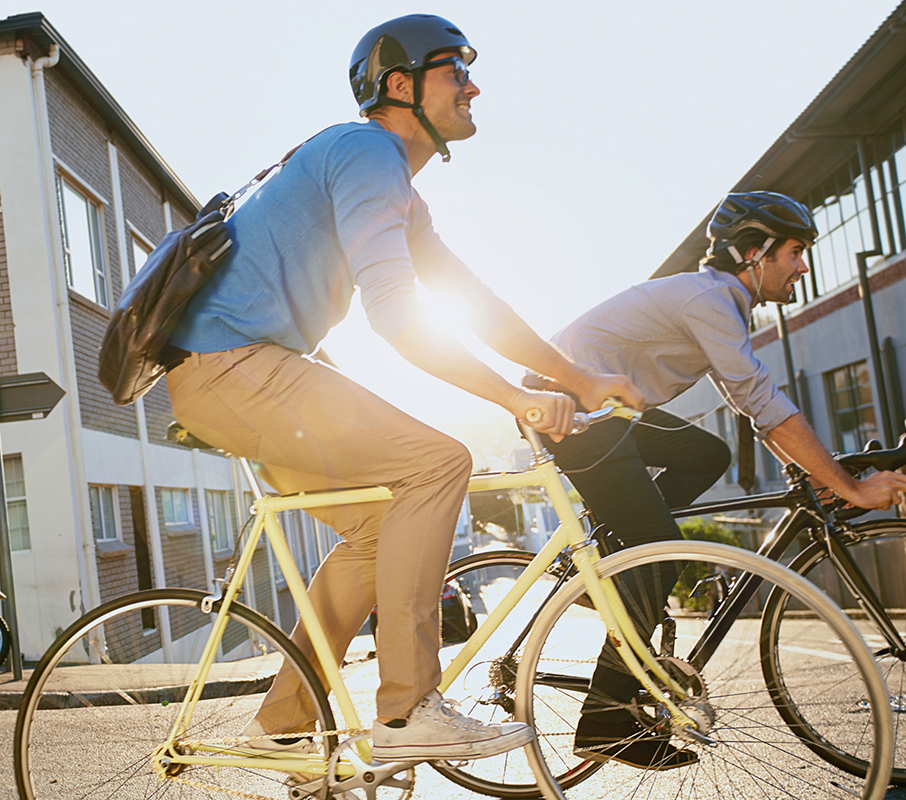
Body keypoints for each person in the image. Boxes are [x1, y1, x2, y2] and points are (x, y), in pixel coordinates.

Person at [164, 14, 642, 767]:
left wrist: (579, 379)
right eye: (457, 69)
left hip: (236, 374)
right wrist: (513, 401)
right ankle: (408, 709)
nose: (475, 84)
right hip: (235, 366)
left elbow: (470, 297)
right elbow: (396, 316)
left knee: (378, 528)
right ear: (399, 85)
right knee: (438, 462)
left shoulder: (393, 187)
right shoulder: (366, 151)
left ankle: (283, 722)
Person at [526, 190, 906, 770]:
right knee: (663, 554)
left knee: (706, 453)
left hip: (608, 413)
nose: (803, 266)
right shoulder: (707, 299)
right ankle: (604, 719)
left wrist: (814, 465)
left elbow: (754, 404)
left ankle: (626, 540)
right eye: (796, 253)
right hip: (568, 409)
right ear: (753, 255)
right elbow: (759, 399)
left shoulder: (720, 301)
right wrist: (850, 486)